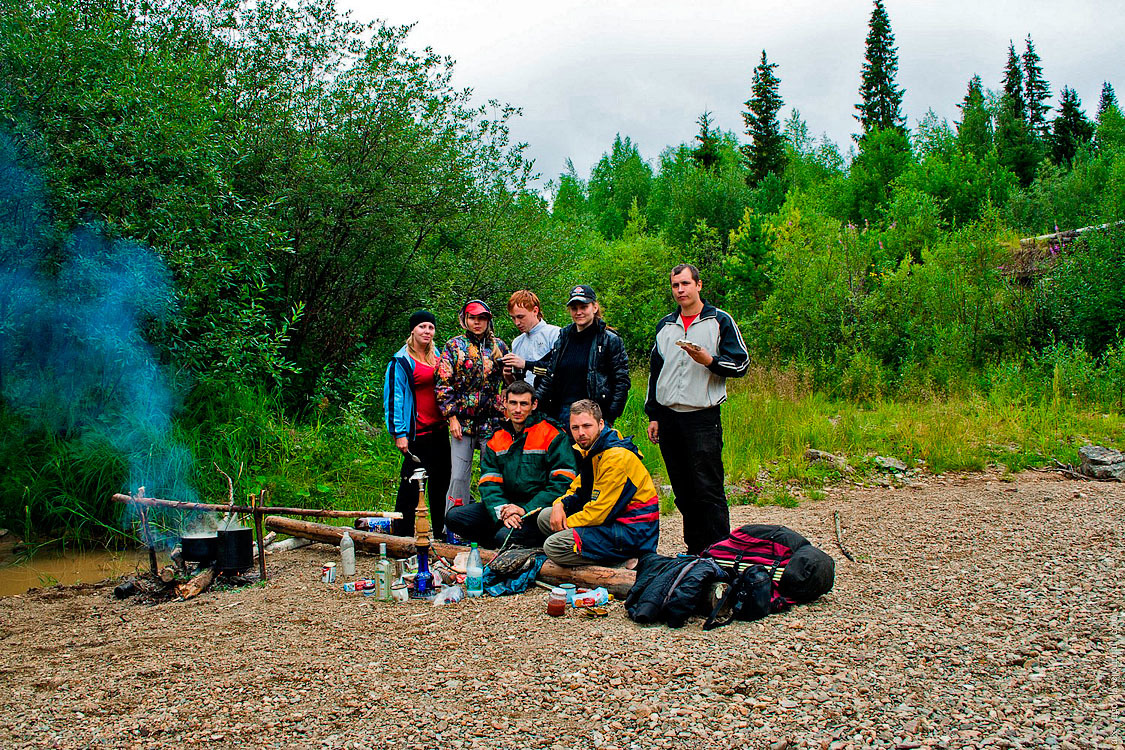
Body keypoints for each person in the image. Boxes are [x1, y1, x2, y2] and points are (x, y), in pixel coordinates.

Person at [645, 263, 749, 554]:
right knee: (683, 490)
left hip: (702, 417)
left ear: (699, 285)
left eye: (685, 284)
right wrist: (653, 414)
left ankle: (720, 554)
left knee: (708, 489)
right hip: (668, 417)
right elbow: (656, 371)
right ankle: (695, 551)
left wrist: (710, 361)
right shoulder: (665, 325)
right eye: (675, 285)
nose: (680, 290)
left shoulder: (719, 321)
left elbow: (741, 363)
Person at [444, 381, 576, 548]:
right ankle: (501, 538)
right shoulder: (498, 437)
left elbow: (562, 483)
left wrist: (525, 509)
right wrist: (502, 511)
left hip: (537, 511)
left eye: (524, 404)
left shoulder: (552, 434)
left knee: (503, 538)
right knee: (454, 517)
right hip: (506, 507)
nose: (518, 409)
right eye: (513, 403)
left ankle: (512, 542)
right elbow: (489, 482)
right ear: (504, 403)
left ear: (534, 405)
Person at [537, 399, 659, 567]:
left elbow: (599, 513)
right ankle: (595, 554)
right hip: (612, 521)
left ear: (601, 424)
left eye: (587, 426)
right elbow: (577, 489)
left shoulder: (616, 457)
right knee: (546, 516)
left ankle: (625, 562)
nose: (581, 433)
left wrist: (565, 524)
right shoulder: (593, 450)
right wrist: (559, 505)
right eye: (575, 428)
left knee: (553, 546)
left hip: (632, 531)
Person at [435, 299, 510, 530]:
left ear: (489, 321)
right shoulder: (453, 346)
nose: (477, 323)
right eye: (473, 318)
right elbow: (442, 383)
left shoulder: (500, 346)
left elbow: (510, 383)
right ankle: (453, 528)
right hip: (463, 422)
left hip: (493, 422)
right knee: (458, 476)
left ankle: (495, 526)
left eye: (482, 318)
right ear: (464, 320)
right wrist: (452, 418)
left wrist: (506, 403)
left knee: (495, 475)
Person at [512, 284, 629, 429]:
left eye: (583, 307)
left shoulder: (609, 340)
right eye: (574, 308)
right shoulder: (563, 338)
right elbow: (550, 376)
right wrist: (534, 405)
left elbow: (621, 382)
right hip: (561, 413)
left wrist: (610, 417)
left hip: (592, 414)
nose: (579, 312)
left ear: (595, 307)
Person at [383, 310, 452, 537]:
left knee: (441, 483)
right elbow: (394, 398)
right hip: (417, 432)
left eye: (431, 327)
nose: (427, 331)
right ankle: (402, 533)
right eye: (422, 327)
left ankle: (441, 531)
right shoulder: (401, 361)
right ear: (413, 329)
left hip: (439, 430)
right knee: (412, 485)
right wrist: (398, 433)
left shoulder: (438, 357)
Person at [503, 290, 560, 387]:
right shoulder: (517, 342)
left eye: (521, 317)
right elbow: (517, 383)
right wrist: (508, 376)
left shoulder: (555, 334)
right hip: (524, 398)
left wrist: (525, 364)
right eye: (513, 318)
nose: (517, 322)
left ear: (535, 311)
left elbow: (558, 370)